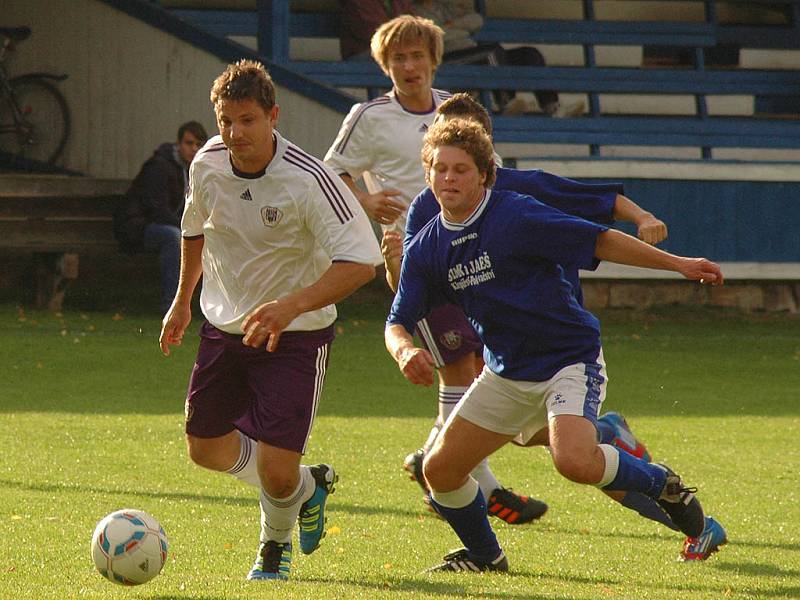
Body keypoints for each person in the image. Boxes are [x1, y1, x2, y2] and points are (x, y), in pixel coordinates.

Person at [384, 93, 727, 562]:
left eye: (460, 169)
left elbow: (600, 239)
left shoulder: (517, 213)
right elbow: (397, 319)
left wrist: (679, 264)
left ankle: (663, 484)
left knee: (573, 460)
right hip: (505, 371)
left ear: (484, 173)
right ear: (427, 174)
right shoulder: (427, 244)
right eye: (440, 169)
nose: (449, 178)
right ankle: (486, 556)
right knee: (439, 470)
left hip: (567, 359)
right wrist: (404, 350)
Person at [158, 59, 382, 581]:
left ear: (273, 116)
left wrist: (291, 305)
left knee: (275, 475)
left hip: (296, 338)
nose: (235, 133)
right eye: (226, 121)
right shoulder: (207, 162)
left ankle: (271, 549)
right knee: (204, 447)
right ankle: (309, 485)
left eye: (247, 120)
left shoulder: (311, 180)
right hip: (224, 327)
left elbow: (361, 264)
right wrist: (183, 298)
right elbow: (194, 230)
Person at [325, 14, 548, 524]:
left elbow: (488, 173)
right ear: (385, 65)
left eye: (416, 55)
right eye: (398, 58)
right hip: (416, 260)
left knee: (474, 366)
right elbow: (329, 172)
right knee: (457, 366)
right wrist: (367, 198)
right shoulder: (369, 116)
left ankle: (444, 463)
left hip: (468, 255)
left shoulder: (452, 111)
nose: (409, 66)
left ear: (433, 60)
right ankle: (466, 481)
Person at [413, 0, 584, 117]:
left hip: (473, 53)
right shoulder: (416, 12)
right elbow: (437, 35)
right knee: (492, 52)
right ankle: (507, 103)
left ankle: (553, 108)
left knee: (530, 54)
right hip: (449, 60)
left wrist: (450, 26)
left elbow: (476, 20)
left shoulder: (446, 6)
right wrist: (456, 25)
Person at [113, 121, 208, 313]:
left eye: (199, 145)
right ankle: (171, 305)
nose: (193, 149)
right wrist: (189, 229)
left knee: (208, 238)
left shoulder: (198, 171)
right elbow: (157, 210)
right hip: (139, 226)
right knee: (174, 237)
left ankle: (210, 306)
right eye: (189, 143)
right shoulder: (160, 166)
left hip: (166, 225)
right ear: (178, 144)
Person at [338, 0, 415, 61]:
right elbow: (371, 31)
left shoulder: (401, 2)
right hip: (364, 53)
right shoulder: (358, 2)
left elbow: (412, 24)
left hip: (396, 49)